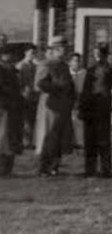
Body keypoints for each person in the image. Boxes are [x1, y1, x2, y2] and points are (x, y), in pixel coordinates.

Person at [34, 36, 76, 176]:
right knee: (48, 135)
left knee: (60, 137)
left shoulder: (63, 66)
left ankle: (54, 166)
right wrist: (58, 88)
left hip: (63, 107)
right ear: (56, 49)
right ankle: (43, 167)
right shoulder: (46, 64)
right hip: (50, 106)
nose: (66, 51)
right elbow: (40, 84)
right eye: (63, 48)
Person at [78, 43, 112, 177]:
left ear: (105, 55)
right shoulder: (89, 69)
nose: (97, 56)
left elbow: (109, 75)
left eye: (99, 54)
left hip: (102, 106)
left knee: (103, 139)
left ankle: (105, 169)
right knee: (89, 140)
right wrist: (82, 107)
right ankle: (90, 169)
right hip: (90, 106)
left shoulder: (109, 68)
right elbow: (84, 89)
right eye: (95, 54)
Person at [0, 44, 23, 176]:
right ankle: (3, 167)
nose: (11, 57)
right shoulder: (3, 69)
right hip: (4, 106)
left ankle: (7, 167)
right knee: (4, 137)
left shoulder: (11, 69)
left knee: (10, 136)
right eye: (8, 54)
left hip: (13, 107)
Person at [16, 44, 39, 148]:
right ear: (26, 53)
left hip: (33, 96)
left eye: (34, 53)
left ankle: (28, 141)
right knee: (24, 119)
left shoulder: (34, 66)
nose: (32, 55)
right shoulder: (20, 66)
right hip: (24, 95)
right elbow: (18, 82)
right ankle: (23, 141)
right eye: (31, 52)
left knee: (31, 119)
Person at [68, 53, 87, 148]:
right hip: (68, 99)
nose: (77, 63)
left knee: (79, 121)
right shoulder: (67, 73)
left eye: (78, 61)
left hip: (80, 98)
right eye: (75, 61)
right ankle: (69, 141)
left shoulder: (84, 73)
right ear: (70, 62)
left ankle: (79, 142)